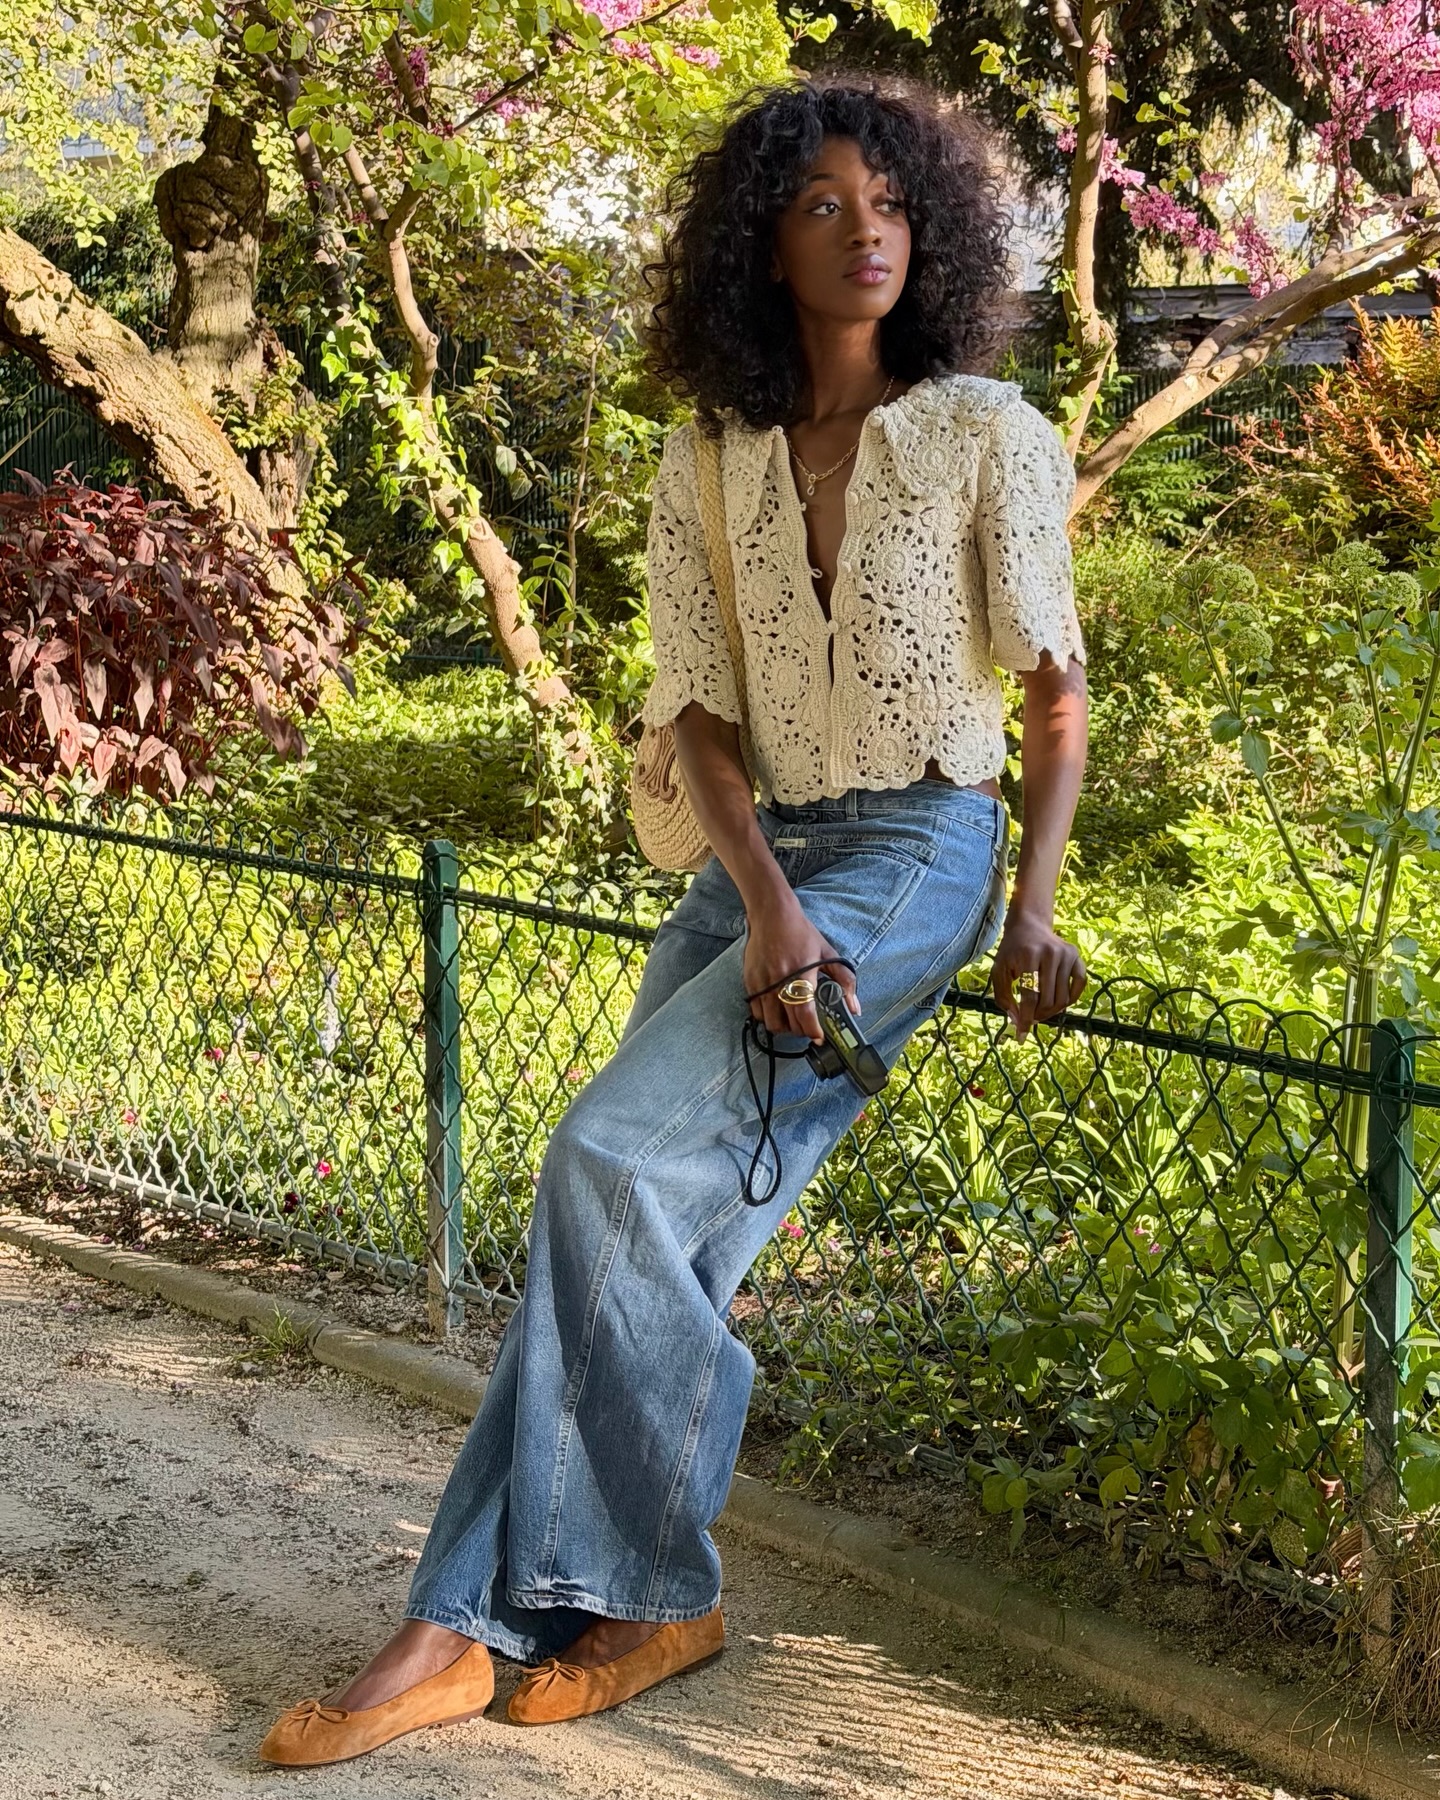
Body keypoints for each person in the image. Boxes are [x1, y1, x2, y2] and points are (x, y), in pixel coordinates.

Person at [258, 66, 1089, 1768]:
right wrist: (766, 903)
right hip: (753, 862)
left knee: (609, 1163)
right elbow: (696, 717)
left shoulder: (987, 433)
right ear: (762, 245)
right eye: (823, 205)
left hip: (916, 854)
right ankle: (532, 1615)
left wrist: (1035, 908)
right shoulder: (710, 455)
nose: (865, 232)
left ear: (929, 232)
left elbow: (1056, 694)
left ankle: (541, 1611)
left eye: (890, 203)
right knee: (640, 1233)